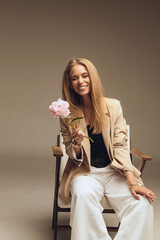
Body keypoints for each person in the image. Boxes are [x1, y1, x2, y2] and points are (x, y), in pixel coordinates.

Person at [59, 58, 155, 240]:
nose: (81, 81)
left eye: (85, 76)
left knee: (142, 203)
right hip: (85, 172)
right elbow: (71, 153)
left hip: (114, 171)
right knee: (82, 195)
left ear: (92, 77)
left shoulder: (113, 106)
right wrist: (77, 143)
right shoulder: (67, 113)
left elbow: (120, 145)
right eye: (74, 78)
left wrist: (132, 182)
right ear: (69, 83)